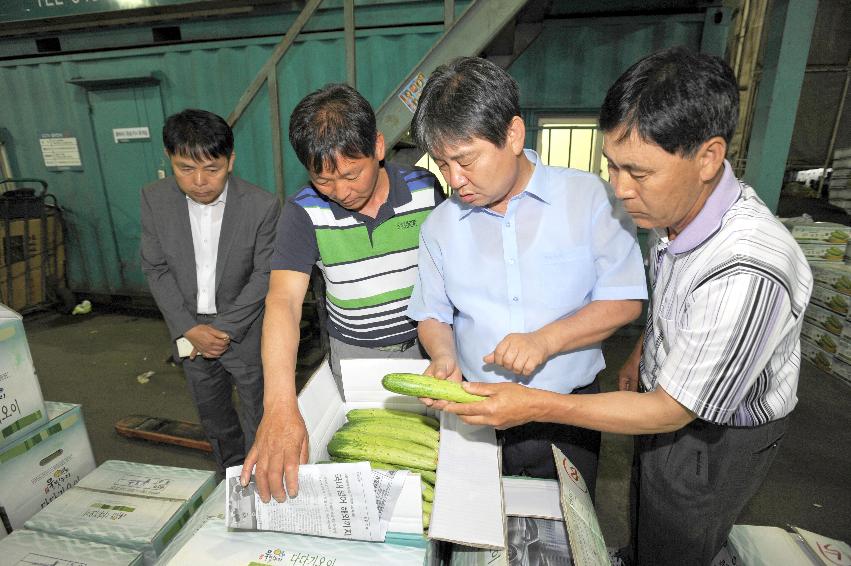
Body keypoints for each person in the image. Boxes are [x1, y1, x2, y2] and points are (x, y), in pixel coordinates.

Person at [442, 47, 814, 565]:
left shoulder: (747, 269)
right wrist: (646, 345)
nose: (619, 190)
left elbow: (671, 410)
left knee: (680, 539)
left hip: (714, 437)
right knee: (645, 516)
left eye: (637, 172)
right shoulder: (677, 210)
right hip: (662, 403)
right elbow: (676, 297)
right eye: (612, 167)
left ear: (707, 157)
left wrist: (536, 405)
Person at [406, 56, 648, 494]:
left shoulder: (590, 199)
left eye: (465, 160)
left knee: (565, 534)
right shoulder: (438, 227)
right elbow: (432, 314)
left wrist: (545, 340)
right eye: (442, 164)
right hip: (476, 414)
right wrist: (443, 357)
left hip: (568, 414)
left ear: (513, 135)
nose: (455, 179)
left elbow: (625, 299)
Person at [241, 83, 444, 502]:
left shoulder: (425, 190)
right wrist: (279, 404)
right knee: (366, 461)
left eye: (352, 173)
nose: (342, 191)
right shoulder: (303, 213)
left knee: (427, 457)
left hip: (426, 348)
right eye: (324, 179)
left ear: (379, 146)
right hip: (354, 357)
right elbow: (283, 301)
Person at [140, 109, 280, 475]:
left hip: (244, 331)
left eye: (212, 168)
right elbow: (156, 268)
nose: (200, 181)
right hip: (189, 332)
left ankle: (259, 477)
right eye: (185, 168)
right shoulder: (155, 200)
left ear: (230, 161)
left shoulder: (262, 206)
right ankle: (230, 478)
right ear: (169, 159)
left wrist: (224, 330)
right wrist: (189, 328)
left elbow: (265, 273)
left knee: (258, 414)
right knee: (214, 417)